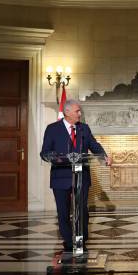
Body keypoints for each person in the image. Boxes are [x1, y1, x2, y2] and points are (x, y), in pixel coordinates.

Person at [40, 99, 111, 252]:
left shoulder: (84, 129)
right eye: (77, 111)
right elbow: (45, 152)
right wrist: (55, 157)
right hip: (61, 177)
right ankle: (68, 241)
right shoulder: (52, 129)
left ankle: (81, 239)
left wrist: (103, 156)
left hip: (81, 177)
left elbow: (94, 145)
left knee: (82, 210)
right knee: (63, 211)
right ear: (67, 112)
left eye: (80, 111)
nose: (80, 114)